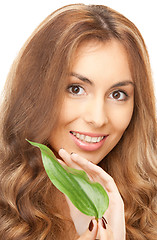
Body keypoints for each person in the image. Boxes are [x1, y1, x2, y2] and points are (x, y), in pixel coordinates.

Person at [0, 3, 156, 240]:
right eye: (75, 89)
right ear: (34, 93)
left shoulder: (150, 209)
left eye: (117, 94)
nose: (97, 118)